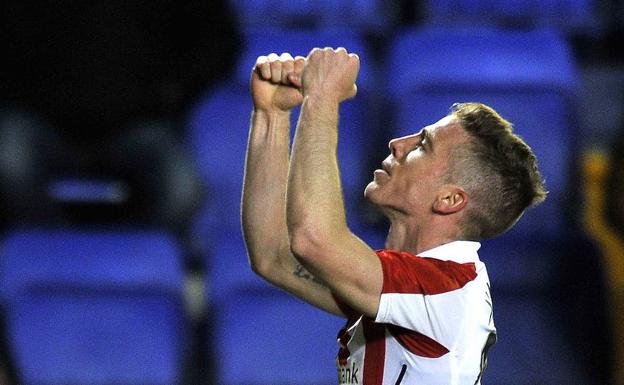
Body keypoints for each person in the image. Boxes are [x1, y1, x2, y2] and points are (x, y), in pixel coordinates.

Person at [241, 48, 546, 384]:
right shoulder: (409, 289)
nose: (398, 144)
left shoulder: (444, 290)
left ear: (449, 199)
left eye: (422, 145)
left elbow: (313, 241)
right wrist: (271, 116)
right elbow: (274, 257)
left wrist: (323, 96)